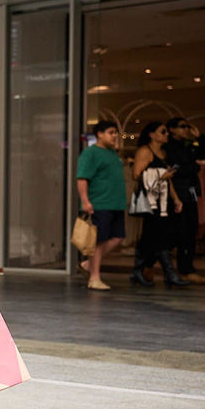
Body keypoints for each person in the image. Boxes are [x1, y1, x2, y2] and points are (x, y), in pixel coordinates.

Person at [131, 121, 189, 288]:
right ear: (152, 134)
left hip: (164, 200)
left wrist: (176, 198)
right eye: (163, 131)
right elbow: (137, 175)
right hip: (151, 201)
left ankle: (139, 270)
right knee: (158, 235)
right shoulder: (145, 151)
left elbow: (167, 179)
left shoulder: (164, 153)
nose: (166, 134)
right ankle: (168, 272)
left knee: (153, 237)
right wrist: (160, 176)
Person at [76, 121, 127, 291]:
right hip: (100, 203)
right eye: (111, 132)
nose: (114, 136)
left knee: (118, 237)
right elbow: (82, 178)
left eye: (115, 133)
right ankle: (94, 277)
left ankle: (87, 264)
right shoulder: (91, 153)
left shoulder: (113, 154)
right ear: (100, 134)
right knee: (99, 241)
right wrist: (85, 201)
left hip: (116, 203)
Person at [164, 117, 205, 285]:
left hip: (190, 191)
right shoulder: (168, 147)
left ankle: (186, 269)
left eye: (187, 127)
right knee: (176, 231)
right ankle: (161, 265)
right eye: (182, 127)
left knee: (189, 230)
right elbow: (177, 168)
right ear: (172, 129)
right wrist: (195, 167)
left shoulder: (188, 146)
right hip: (177, 192)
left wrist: (199, 137)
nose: (186, 130)